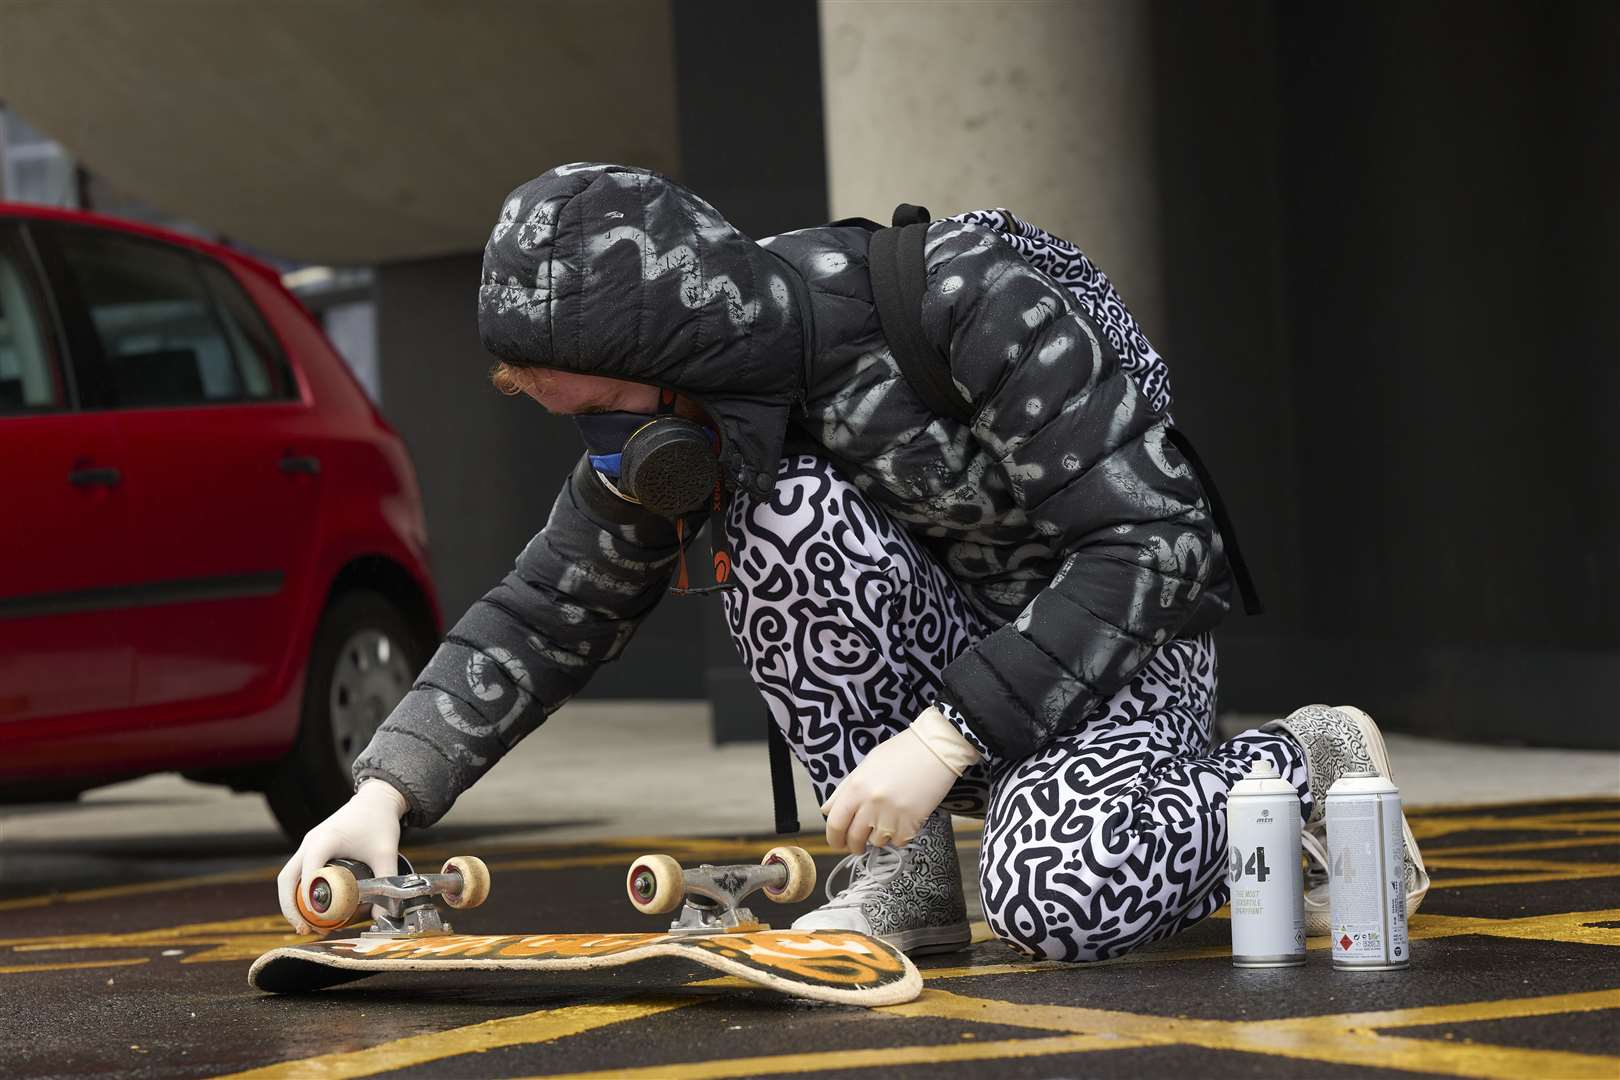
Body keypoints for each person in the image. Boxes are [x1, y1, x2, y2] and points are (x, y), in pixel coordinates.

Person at [277, 163, 1428, 960]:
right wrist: (384, 793)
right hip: (961, 691)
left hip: (1119, 655)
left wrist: (944, 737)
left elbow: (1159, 542)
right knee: (774, 520)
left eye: (613, 408)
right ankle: (908, 885)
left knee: (1059, 896)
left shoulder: (964, 300)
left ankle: (1302, 759)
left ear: (687, 350)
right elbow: (545, 609)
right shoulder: (705, 424)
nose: (612, 446)